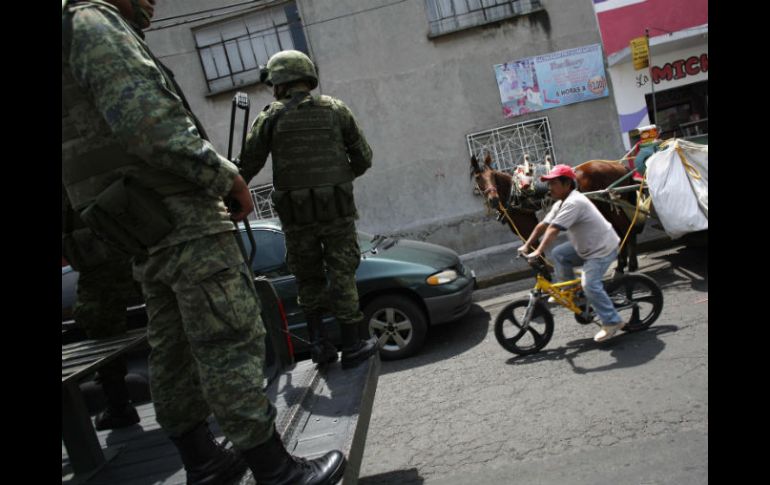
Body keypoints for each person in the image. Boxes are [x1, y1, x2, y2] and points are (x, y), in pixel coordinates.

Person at [62, 1, 345, 484]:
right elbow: (149, 124)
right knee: (228, 335)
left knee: (172, 346)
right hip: (177, 210)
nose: (152, 3)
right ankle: (275, 470)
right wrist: (222, 175)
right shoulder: (93, 21)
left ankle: (203, 459)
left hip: (137, 219)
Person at [239, 50, 378, 368]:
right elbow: (363, 158)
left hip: (296, 216)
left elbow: (247, 165)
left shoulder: (270, 117)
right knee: (342, 272)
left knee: (307, 277)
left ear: (279, 82)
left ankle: (319, 345)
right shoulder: (336, 110)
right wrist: (334, 183)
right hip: (336, 212)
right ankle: (353, 344)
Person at [517, 164, 626, 342]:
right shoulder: (560, 203)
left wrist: (537, 251)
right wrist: (527, 245)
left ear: (567, 184)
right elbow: (542, 225)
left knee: (589, 284)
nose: (549, 187)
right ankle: (571, 293)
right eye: (548, 183)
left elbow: (552, 230)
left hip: (602, 249)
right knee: (560, 254)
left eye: (553, 183)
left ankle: (612, 321)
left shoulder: (574, 202)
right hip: (587, 246)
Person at [62, 189, 142, 431]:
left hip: (106, 264)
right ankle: (118, 405)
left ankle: (119, 406)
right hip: (121, 256)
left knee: (97, 322)